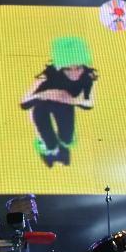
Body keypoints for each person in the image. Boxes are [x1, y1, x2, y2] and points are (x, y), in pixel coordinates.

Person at [21, 36, 97, 166]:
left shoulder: (88, 76)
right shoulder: (47, 75)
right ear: (60, 66)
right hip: (42, 106)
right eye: (68, 68)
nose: (74, 72)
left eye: (78, 68)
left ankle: (61, 142)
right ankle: (44, 142)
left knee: (67, 140)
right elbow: (24, 102)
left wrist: (70, 100)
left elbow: (89, 103)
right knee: (49, 143)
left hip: (65, 106)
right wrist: (45, 94)